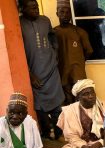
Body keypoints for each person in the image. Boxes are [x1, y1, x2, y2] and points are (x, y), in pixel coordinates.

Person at [20, 0, 65, 140]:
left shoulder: (45, 20)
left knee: (58, 101)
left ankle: (59, 132)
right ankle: (46, 133)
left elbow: (52, 36)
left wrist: (55, 52)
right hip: (35, 71)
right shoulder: (18, 23)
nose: (36, 9)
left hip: (51, 68)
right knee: (39, 104)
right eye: (32, 7)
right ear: (22, 9)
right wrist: (30, 74)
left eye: (37, 6)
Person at [57, 79, 105, 148]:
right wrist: (84, 147)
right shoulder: (70, 110)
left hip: (104, 144)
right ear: (78, 97)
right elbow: (71, 136)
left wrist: (100, 143)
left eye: (92, 93)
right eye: (86, 94)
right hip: (84, 146)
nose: (91, 96)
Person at [54, 0, 93, 105]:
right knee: (66, 99)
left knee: (81, 96)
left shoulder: (80, 32)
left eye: (68, 12)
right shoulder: (53, 33)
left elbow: (89, 51)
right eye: (62, 12)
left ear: (71, 14)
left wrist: (78, 61)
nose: (65, 15)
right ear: (57, 14)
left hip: (77, 72)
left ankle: (82, 120)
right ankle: (70, 120)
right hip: (61, 72)